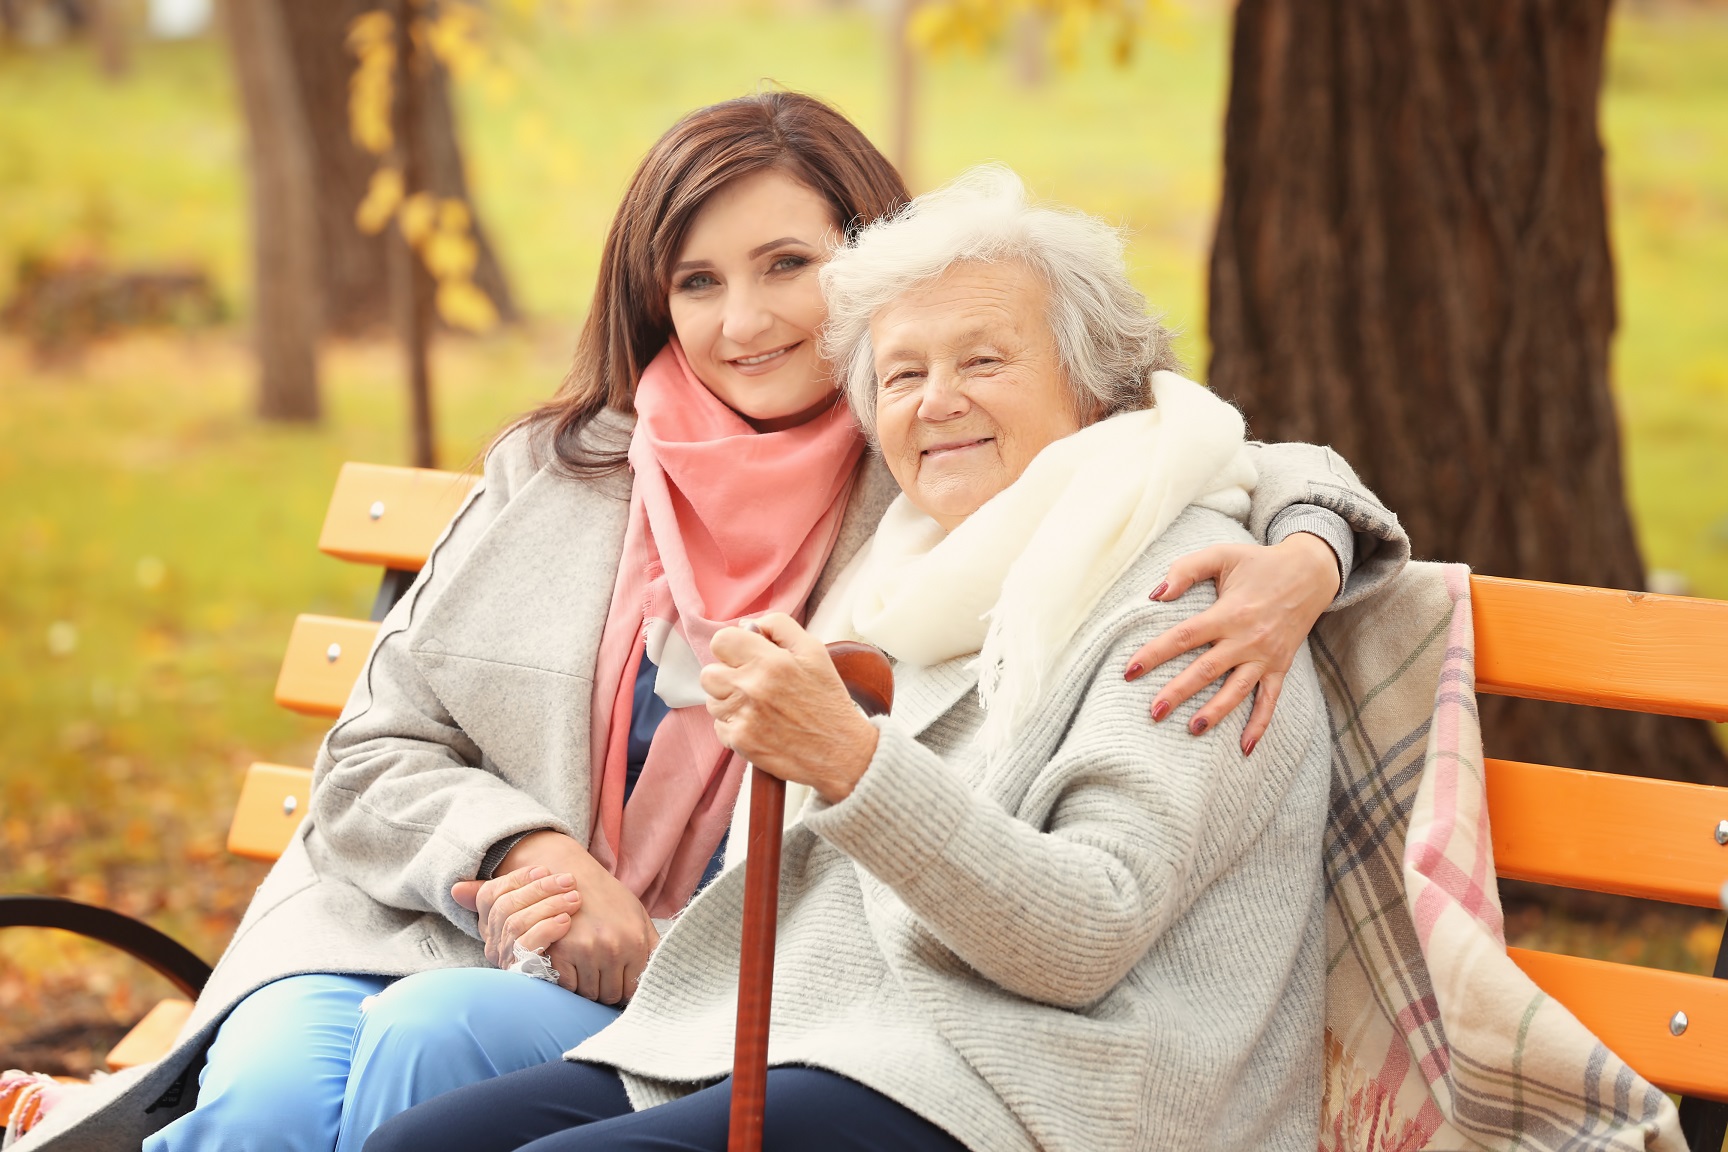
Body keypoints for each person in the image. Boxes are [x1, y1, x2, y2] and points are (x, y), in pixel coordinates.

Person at [21, 98, 1404, 1152]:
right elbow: (378, 749)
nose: (743, 322)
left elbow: (1185, 439)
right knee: (275, 1109)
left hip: (731, 979)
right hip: (414, 923)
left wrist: (1305, 548)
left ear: (867, 271)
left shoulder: (928, 476)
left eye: (787, 266)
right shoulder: (569, 466)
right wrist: (520, 849)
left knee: (424, 1062)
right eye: (696, 281)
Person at [362, 164, 1352, 1152]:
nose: (936, 402)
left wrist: (852, 760)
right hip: (837, 1041)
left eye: (985, 363)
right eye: (904, 373)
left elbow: (1085, 934)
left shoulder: (1189, 605)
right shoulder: (915, 573)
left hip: (1051, 1091)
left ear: (1098, 386)